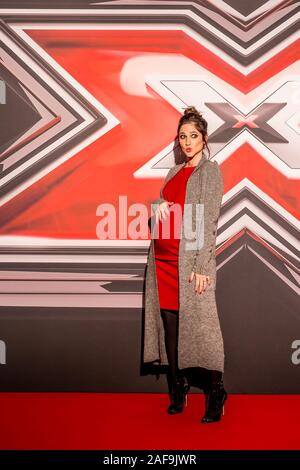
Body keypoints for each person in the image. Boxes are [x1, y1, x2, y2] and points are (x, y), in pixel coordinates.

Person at [143, 106, 227, 424]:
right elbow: (166, 203)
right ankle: (178, 388)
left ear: (204, 139)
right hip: (162, 262)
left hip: (189, 263)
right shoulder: (173, 172)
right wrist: (158, 205)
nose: (188, 142)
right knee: (171, 329)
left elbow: (208, 221)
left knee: (205, 333)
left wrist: (204, 266)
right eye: (183, 137)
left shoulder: (210, 172)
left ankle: (216, 392)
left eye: (193, 136)